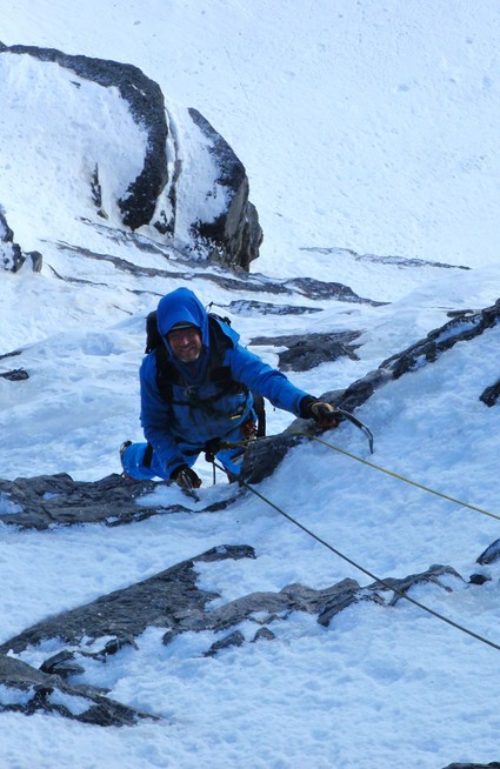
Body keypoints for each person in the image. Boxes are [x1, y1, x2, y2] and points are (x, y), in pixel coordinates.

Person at [120, 287, 337, 489]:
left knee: (249, 477)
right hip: (183, 437)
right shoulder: (155, 369)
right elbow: (154, 424)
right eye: (175, 335)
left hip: (234, 428)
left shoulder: (227, 351)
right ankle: (129, 456)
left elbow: (266, 380)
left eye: (189, 332)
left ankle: (233, 479)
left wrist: (306, 404)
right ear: (165, 337)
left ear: (201, 327)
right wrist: (176, 467)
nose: (184, 341)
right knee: (157, 465)